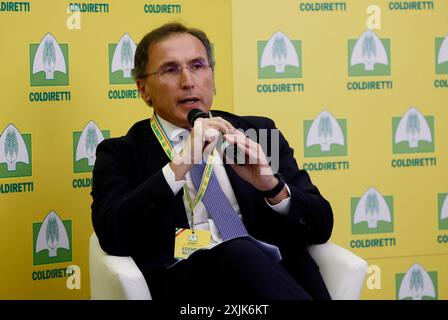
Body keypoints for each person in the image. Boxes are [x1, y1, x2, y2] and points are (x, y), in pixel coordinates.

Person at [91, 22, 333, 300]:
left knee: (244, 250)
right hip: (185, 281)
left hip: (269, 276)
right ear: (143, 88)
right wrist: (180, 165)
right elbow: (113, 234)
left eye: (197, 66)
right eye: (170, 69)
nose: (188, 81)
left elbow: (320, 224)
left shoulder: (256, 134)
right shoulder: (121, 152)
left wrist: (272, 187)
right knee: (237, 249)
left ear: (212, 76)